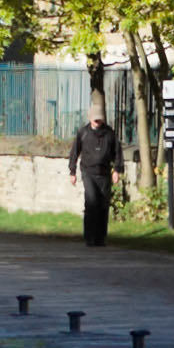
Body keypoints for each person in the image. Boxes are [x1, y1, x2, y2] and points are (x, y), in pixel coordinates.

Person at [68, 100, 127, 246]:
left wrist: (117, 170)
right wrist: (72, 171)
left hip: (104, 173)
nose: (98, 122)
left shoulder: (109, 133)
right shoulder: (83, 133)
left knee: (103, 205)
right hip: (88, 172)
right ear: (90, 119)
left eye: (100, 119)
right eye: (95, 120)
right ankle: (89, 237)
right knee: (91, 202)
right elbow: (75, 152)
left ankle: (100, 238)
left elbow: (117, 152)